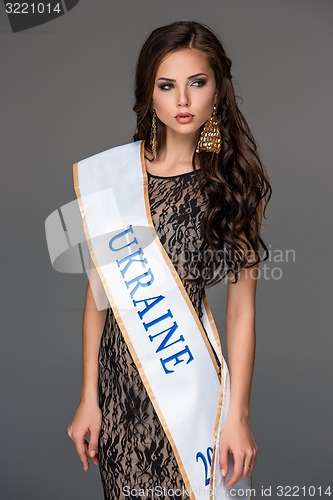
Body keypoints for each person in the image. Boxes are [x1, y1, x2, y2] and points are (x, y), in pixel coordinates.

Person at [67, 20, 271, 500]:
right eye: (167, 86)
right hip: (120, 395)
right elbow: (99, 295)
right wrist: (87, 397)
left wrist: (238, 416)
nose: (183, 101)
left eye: (196, 83)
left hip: (190, 388)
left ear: (217, 91)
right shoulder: (116, 179)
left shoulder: (231, 188)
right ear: (149, 95)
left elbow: (242, 310)